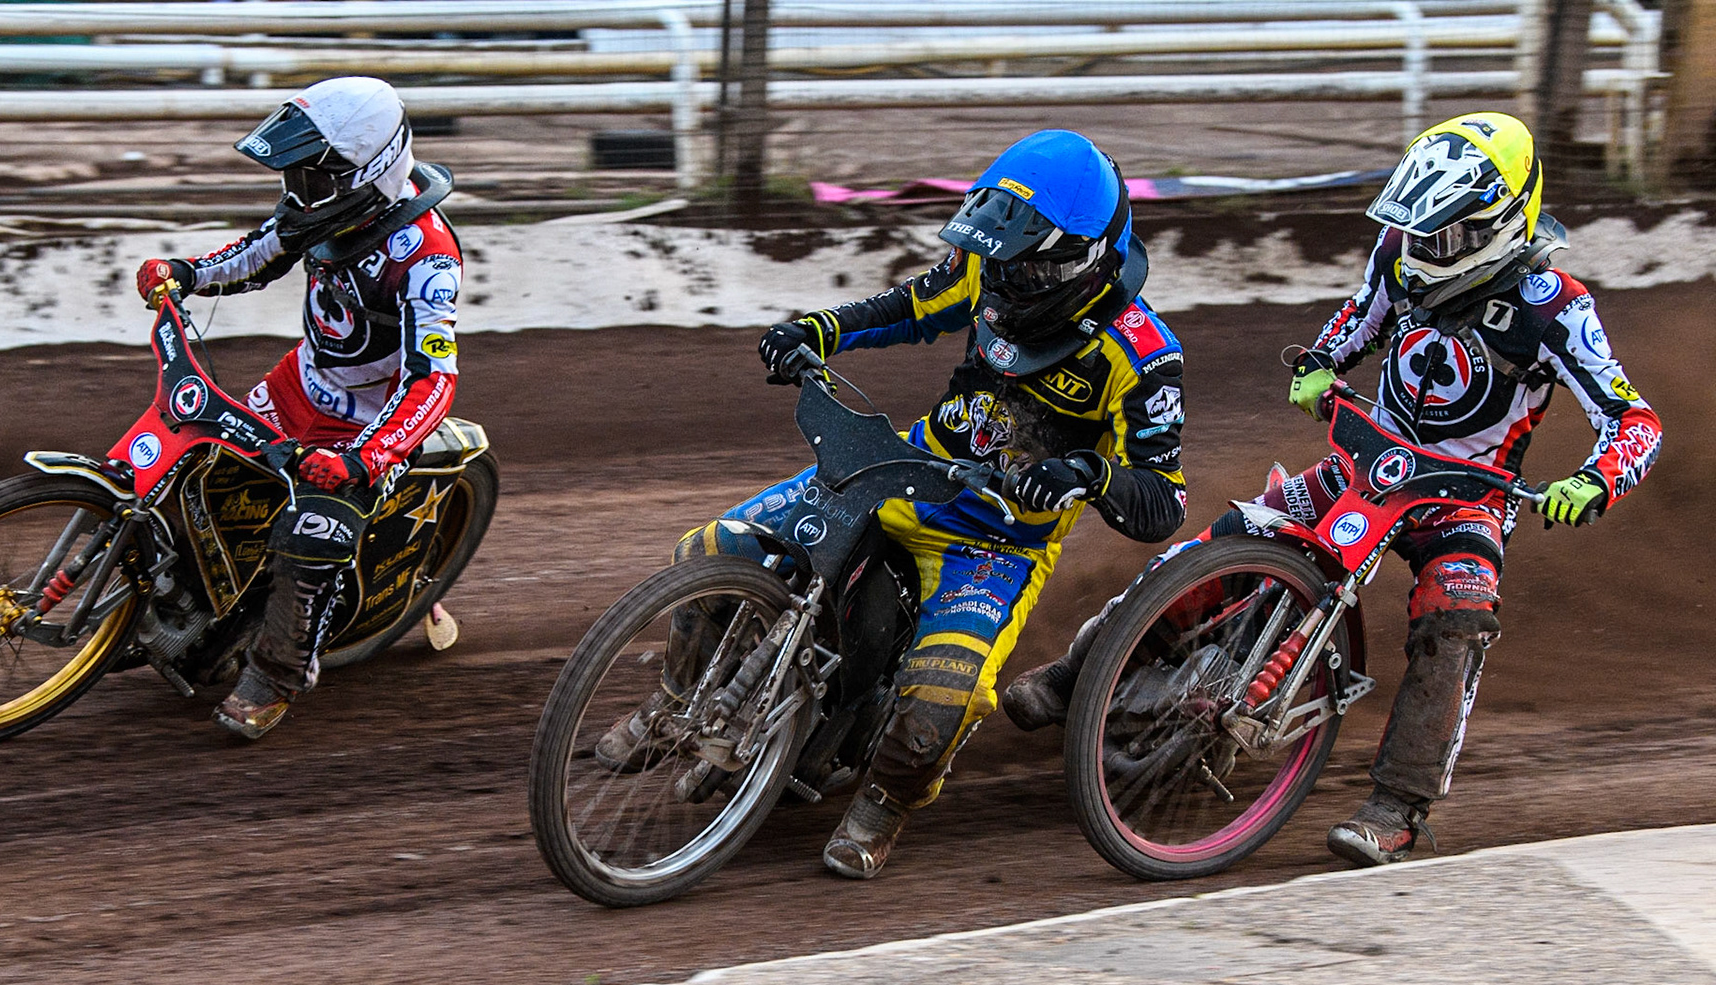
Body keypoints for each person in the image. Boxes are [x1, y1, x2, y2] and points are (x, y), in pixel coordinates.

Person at [1005, 111, 1662, 866]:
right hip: (1366, 460)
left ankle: (1400, 805)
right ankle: (1079, 672)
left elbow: (1634, 418)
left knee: (1457, 617)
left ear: (1503, 224)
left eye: (1444, 237)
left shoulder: (1557, 307)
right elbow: (1364, 317)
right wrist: (1321, 359)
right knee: (1229, 541)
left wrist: (1597, 479)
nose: (1424, 250)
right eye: (1418, 231)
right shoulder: (1400, 252)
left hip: (1463, 500)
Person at [605, 130, 1190, 879]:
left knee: (942, 696)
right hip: (898, 469)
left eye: (1026, 266)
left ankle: (883, 803)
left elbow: (1163, 502)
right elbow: (912, 305)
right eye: (1000, 259)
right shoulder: (991, 263)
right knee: (712, 551)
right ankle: (671, 702)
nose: (1004, 282)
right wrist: (817, 329)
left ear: (1080, 259)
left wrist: (1090, 476)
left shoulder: (1144, 356)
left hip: (994, 541)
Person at [133, 77, 464, 740]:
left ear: (365, 173)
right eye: (294, 177)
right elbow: (259, 252)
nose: (295, 193)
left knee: (313, 536)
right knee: (190, 463)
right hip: (297, 386)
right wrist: (188, 273)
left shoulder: (426, 257)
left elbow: (435, 381)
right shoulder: (322, 211)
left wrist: (366, 459)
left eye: (311, 180)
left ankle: (275, 676)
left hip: (367, 425)